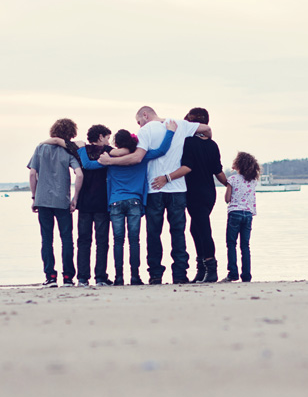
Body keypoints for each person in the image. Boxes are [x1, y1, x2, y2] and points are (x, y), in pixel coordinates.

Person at [99, 106, 211, 284]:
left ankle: (155, 275)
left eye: (138, 121)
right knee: (178, 233)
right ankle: (180, 275)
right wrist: (205, 141)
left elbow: (137, 158)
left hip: (154, 190)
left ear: (145, 115)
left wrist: (110, 160)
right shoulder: (179, 124)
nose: (139, 125)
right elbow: (206, 129)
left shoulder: (146, 130)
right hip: (178, 188)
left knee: (154, 234)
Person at [81, 121, 176, 285]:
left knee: (118, 241)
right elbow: (162, 150)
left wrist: (82, 148)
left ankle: (118, 278)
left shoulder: (108, 158)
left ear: (116, 144)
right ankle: (135, 277)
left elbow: (88, 165)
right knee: (134, 241)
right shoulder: (141, 157)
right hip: (135, 202)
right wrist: (170, 132)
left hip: (116, 203)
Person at [151, 107, 227, 283]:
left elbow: (187, 167)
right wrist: (228, 184)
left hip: (194, 192)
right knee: (196, 228)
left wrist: (167, 177)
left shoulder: (188, 143)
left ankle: (210, 269)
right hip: (209, 193)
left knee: (203, 229)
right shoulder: (212, 144)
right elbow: (218, 171)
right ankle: (202, 269)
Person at [27, 118, 83, 287]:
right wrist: (75, 198)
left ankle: (50, 277)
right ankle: (68, 278)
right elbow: (79, 174)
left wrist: (34, 196)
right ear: (71, 133)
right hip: (62, 201)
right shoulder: (69, 151)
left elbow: (32, 174)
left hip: (43, 200)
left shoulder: (40, 148)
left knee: (46, 239)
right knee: (67, 239)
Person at [75, 124, 113, 286]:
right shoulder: (108, 152)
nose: (109, 141)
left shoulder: (80, 152)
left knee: (83, 241)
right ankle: (100, 277)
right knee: (102, 241)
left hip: (84, 202)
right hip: (101, 202)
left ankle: (82, 278)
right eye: (107, 137)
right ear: (100, 137)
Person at [222, 151, 260, 283]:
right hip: (248, 214)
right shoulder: (253, 181)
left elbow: (227, 199)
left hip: (235, 213)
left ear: (237, 164)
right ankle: (246, 276)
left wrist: (228, 188)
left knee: (231, 244)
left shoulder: (232, 180)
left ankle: (233, 273)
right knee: (245, 246)